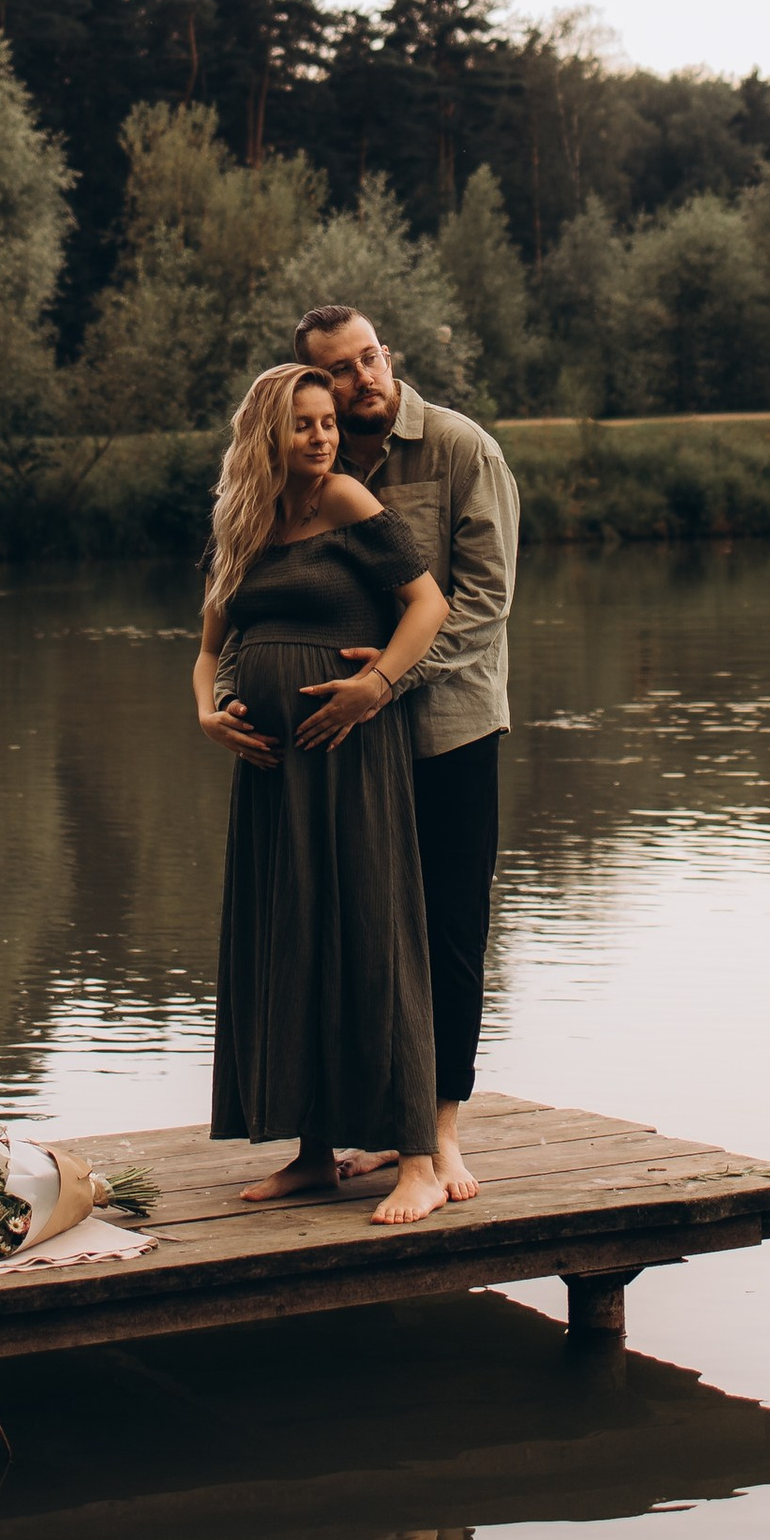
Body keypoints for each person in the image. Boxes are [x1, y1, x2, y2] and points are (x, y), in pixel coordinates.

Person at [195, 363, 454, 1228]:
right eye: (303, 424)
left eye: (327, 422)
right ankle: (313, 1153)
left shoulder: (348, 500)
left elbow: (428, 605)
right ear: (268, 434)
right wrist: (208, 713)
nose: (322, 436)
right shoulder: (247, 522)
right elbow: (208, 650)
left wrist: (376, 683)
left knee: (373, 931)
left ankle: (415, 1159)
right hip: (271, 773)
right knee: (292, 931)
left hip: (346, 754)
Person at [291, 305, 521, 1208]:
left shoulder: (465, 452)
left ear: (392, 358)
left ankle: (444, 1132)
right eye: (341, 372)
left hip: (448, 728)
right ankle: (384, 1125)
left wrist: (387, 678)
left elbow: (484, 604)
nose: (363, 381)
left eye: (371, 359)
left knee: (450, 931)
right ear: (317, 384)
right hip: (353, 742)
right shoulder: (318, 461)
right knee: (368, 932)